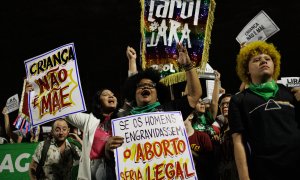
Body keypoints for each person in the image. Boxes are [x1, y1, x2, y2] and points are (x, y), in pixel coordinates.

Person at [106, 42, 202, 160]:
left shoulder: (171, 110)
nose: (145, 87)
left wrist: (188, 65)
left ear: (158, 94)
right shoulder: (122, 119)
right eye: (140, 86)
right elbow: (114, 157)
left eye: (151, 85)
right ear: (134, 94)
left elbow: (194, 95)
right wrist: (108, 148)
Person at [229, 40, 300, 180]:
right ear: (247, 69)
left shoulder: (291, 94)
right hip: (265, 172)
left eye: (268, 59)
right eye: (256, 60)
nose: (263, 61)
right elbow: (238, 141)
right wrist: (244, 177)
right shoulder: (239, 100)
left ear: (275, 66)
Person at [184, 115, 214, 180]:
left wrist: (190, 152)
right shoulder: (175, 140)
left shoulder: (203, 137)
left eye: (182, 114)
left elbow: (210, 163)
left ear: (191, 116)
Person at [216, 93, 239, 180]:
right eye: (222, 104)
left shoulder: (240, 127)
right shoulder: (222, 128)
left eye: (228, 103)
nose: (224, 106)